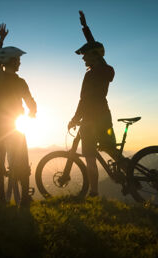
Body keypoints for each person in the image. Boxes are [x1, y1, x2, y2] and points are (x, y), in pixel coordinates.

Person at [68, 11, 117, 197]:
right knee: (110, 149)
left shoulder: (96, 73)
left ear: (94, 56)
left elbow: (83, 100)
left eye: (85, 55)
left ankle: (94, 193)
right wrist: (85, 28)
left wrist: (75, 118)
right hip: (104, 116)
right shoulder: (106, 71)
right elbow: (95, 48)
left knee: (89, 157)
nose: (83, 58)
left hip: (89, 121)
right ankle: (127, 173)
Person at [0, 23, 37, 207]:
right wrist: (33, 113)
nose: (20, 62)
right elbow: (30, 101)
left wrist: (0, 41)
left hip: (0, 123)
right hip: (17, 124)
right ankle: (25, 197)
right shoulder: (21, 82)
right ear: (10, 61)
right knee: (22, 160)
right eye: (17, 59)